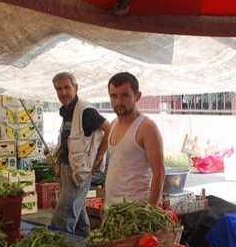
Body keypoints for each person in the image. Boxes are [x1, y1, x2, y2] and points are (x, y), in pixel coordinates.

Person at [49, 72, 109, 236]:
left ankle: (60, 243)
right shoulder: (68, 110)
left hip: (78, 170)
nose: (63, 92)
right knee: (77, 207)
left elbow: (109, 129)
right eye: (59, 89)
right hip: (66, 167)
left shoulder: (86, 111)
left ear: (76, 88)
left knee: (65, 212)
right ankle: (84, 239)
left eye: (67, 88)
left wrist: (99, 156)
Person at [103, 72, 165, 207]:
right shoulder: (113, 124)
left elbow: (159, 173)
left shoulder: (147, 128)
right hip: (112, 209)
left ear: (137, 96)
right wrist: (105, 203)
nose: (119, 102)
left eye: (125, 95)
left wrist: (150, 211)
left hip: (135, 211)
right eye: (114, 96)